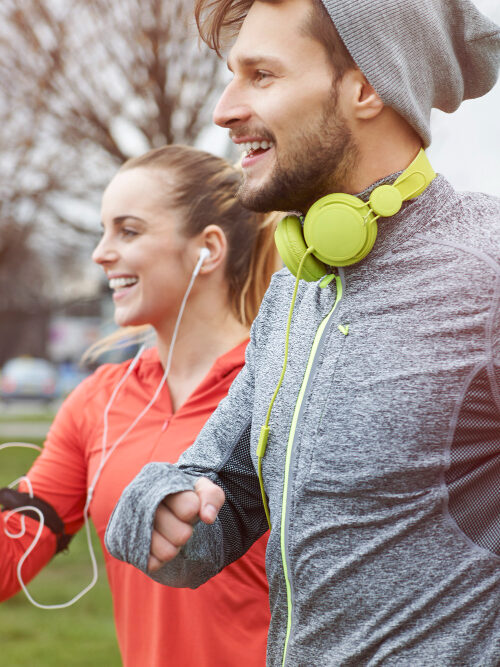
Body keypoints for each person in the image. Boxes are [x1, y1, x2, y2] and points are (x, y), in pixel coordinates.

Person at [105, 2, 500, 665]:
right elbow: (217, 493)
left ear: (365, 87)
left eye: (261, 75)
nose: (223, 110)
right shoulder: (296, 287)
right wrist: (157, 504)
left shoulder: (485, 269)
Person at [0, 144, 282, 666]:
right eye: (104, 231)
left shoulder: (283, 386)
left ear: (208, 249)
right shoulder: (97, 401)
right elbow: (11, 555)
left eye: (128, 231)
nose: (101, 253)